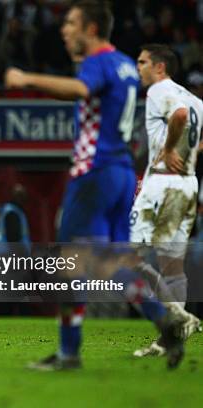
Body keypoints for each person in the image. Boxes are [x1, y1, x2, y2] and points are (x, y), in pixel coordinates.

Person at [5, 1, 186, 370]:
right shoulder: (124, 64)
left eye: (70, 23)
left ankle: (78, 350)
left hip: (95, 172)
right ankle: (153, 321)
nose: (64, 30)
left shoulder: (98, 62)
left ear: (90, 29)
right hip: (121, 174)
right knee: (108, 261)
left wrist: (27, 79)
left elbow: (79, 89)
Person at [130, 44, 203, 357]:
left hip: (162, 183)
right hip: (188, 184)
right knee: (173, 266)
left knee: (124, 256)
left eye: (142, 62)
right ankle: (169, 340)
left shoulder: (159, 90)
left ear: (159, 67)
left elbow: (179, 116)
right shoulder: (196, 98)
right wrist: (188, 154)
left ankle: (178, 316)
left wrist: (171, 149)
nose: (138, 68)